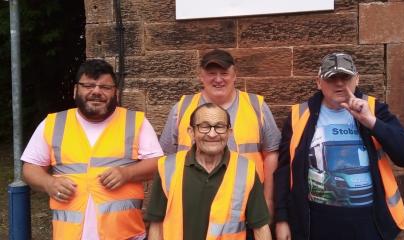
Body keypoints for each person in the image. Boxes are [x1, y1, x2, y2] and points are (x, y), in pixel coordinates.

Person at [274, 53, 404, 240]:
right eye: (332, 78)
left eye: (345, 77)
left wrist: (371, 122)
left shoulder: (375, 110)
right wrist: (282, 218)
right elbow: (284, 171)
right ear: (318, 82)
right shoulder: (299, 115)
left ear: (357, 79)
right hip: (315, 223)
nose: (339, 84)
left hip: (368, 223)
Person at [21, 59, 164, 240]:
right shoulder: (53, 123)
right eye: (88, 85)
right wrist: (49, 183)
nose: (96, 91)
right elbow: (30, 169)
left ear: (116, 93)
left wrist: (126, 173)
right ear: (75, 90)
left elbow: (158, 164)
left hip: (125, 235)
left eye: (105, 87)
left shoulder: (136, 122)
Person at [159, 49, 280, 216]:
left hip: (247, 203)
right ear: (200, 75)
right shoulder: (182, 108)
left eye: (224, 73)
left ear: (234, 75)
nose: (218, 79)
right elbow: (166, 159)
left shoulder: (256, 106)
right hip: (191, 204)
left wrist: (268, 199)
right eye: (211, 73)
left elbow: (272, 154)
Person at [146, 103, 272, 240]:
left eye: (219, 127)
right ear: (191, 132)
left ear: (229, 132)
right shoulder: (167, 168)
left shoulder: (246, 170)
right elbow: (156, 225)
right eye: (204, 127)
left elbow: (260, 228)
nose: (212, 134)